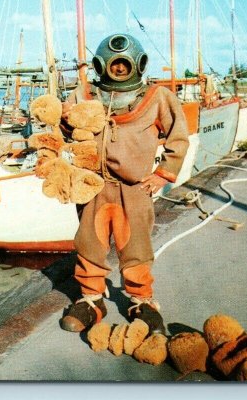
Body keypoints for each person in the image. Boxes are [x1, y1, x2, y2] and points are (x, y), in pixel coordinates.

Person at [58, 33, 189, 335]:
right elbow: (64, 127)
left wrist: (163, 173)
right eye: (114, 64)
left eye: (123, 64)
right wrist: (63, 123)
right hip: (93, 185)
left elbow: (178, 136)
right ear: (101, 65)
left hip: (135, 188)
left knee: (136, 245)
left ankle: (141, 301)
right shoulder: (84, 95)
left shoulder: (157, 97)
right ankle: (91, 301)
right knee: (90, 242)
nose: (118, 69)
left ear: (138, 64)